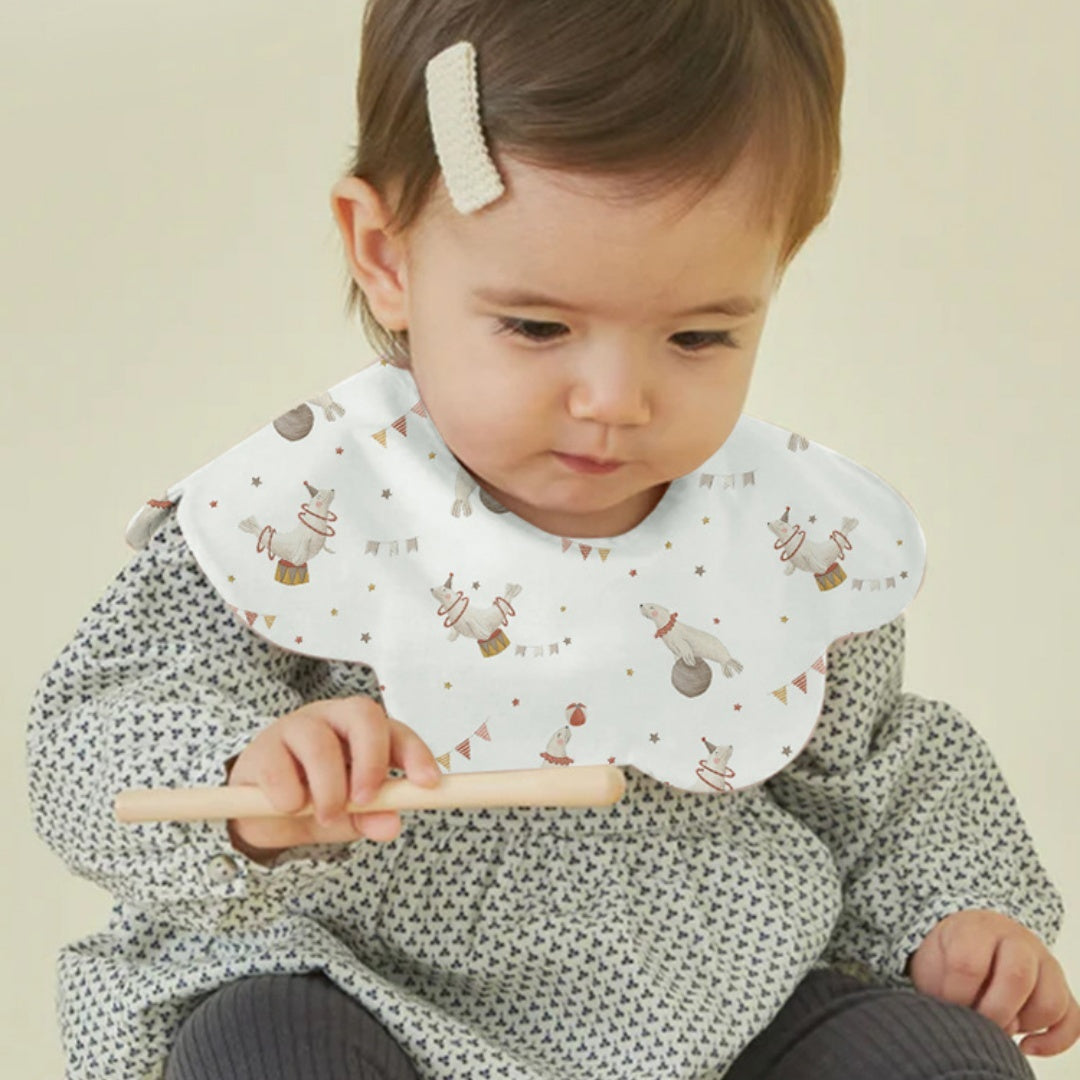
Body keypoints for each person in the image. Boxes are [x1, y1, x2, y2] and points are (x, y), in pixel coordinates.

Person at [26, 2, 1078, 1078]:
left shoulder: (775, 540)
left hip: (725, 1011)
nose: (616, 400)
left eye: (700, 335)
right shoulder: (309, 504)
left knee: (929, 1054)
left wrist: (955, 914)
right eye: (538, 327)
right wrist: (245, 779)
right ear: (387, 256)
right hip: (364, 990)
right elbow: (92, 734)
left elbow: (882, 778)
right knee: (264, 1046)